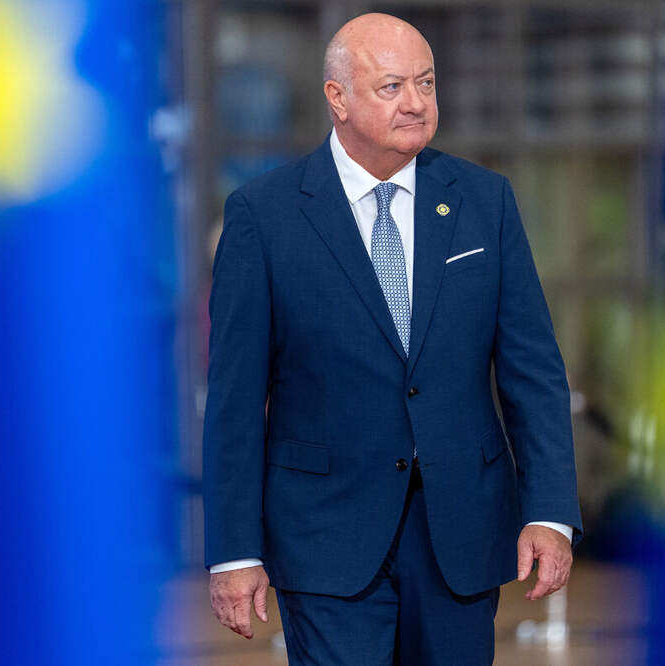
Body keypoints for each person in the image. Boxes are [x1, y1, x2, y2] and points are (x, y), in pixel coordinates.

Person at [203, 13, 582, 664]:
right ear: (338, 98)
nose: (416, 102)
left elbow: (534, 370)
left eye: (426, 83)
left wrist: (549, 511)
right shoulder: (263, 216)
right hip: (324, 537)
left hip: (460, 535)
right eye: (392, 86)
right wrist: (234, 551)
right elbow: (236, 400)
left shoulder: (484, 200)